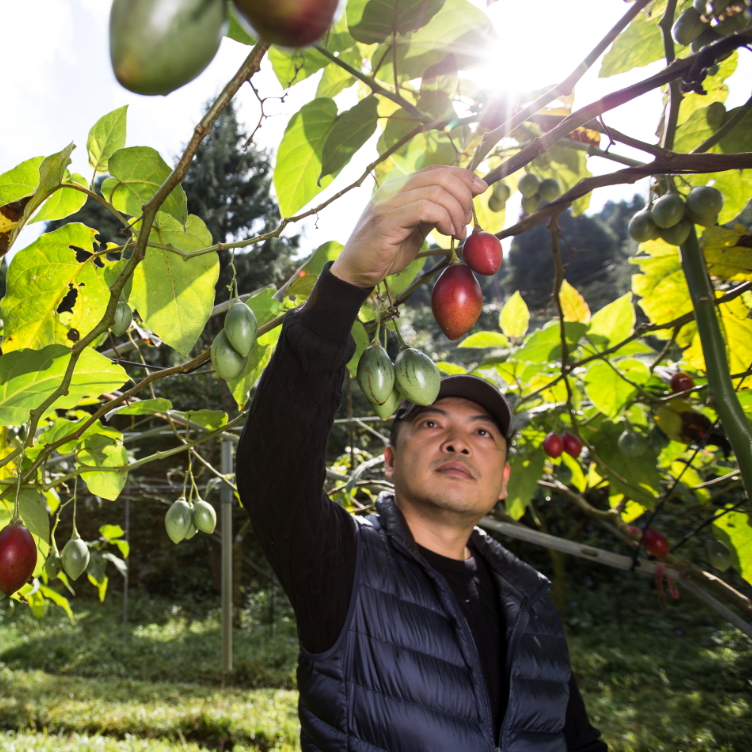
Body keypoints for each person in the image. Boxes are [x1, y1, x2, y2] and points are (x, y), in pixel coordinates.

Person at [236, 165, 608, 752]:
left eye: (483, 433)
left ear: (505, 480)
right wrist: (346, 284)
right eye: (431, 423)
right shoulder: (341, 565)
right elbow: (272, 474)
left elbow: (577, 739)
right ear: (388, 461)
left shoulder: (531, 599)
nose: (458, 441)